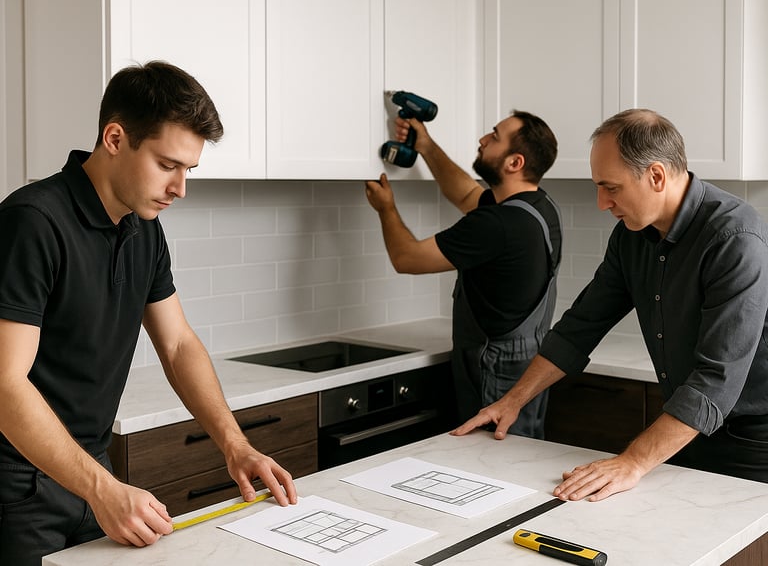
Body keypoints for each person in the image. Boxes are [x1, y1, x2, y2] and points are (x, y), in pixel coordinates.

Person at [0, 61, 297, 564]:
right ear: (115, 137)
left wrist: (234, 444)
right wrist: (102, 488)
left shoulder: (144, 229)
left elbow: (178, 345)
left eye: (189, 170)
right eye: (168, 165)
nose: (181, 187)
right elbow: (6, 384)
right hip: (19, 487)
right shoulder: (33, 222)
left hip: (90, 472)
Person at [453, 108, 768, 499]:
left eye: (611, 188)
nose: (602, 202)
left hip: (754, 442)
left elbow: (715, 381)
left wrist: (632, 462)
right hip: (683, 428)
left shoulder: (734, 238)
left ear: (656, 176)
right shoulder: (632, 235)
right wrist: (511, 402)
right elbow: (580, 326)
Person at [365, 110, 561, 438]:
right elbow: (467, 195)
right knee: (518, 455)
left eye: (494, 137)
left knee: (492, 459)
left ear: (514, 162)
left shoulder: (496, 225)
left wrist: (386, 208)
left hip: (496, 364)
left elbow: (406, 258)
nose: (483, 140)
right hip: (530, 357)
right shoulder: (538, 206)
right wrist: (426, 145)